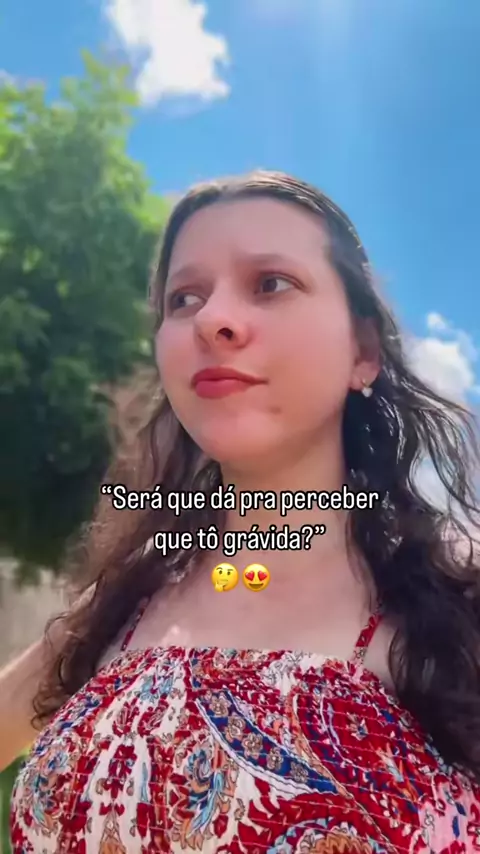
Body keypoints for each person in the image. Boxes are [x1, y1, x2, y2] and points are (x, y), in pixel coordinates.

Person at [5, 169, 480, 852]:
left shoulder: (460, 606)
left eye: (270, 283)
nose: (212, 319)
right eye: (184, 298)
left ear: (364, 351)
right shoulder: (120, 603)